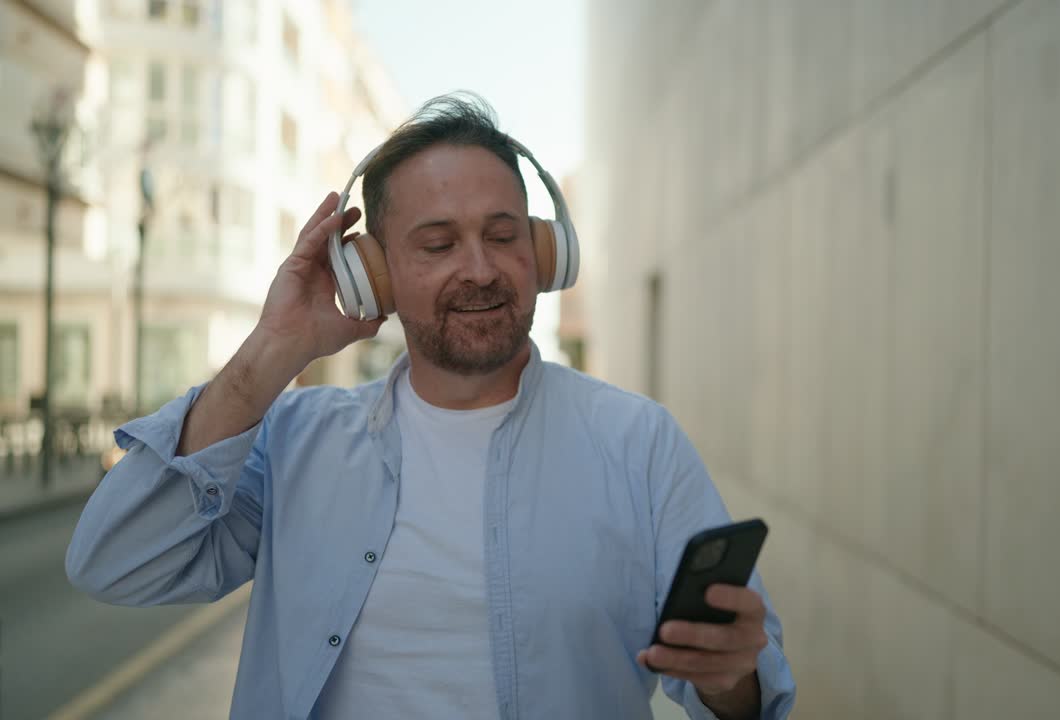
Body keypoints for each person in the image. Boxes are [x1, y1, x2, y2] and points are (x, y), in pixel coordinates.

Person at [66, 94, 796, 719]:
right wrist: (272, 351)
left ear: (545, 255)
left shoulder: (639, 443)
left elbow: (747, 694)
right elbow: (115, 561)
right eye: (438, 244)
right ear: (372, 277)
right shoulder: (296, 442)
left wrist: (731, 676)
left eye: (504, 236)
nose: (479, 269)